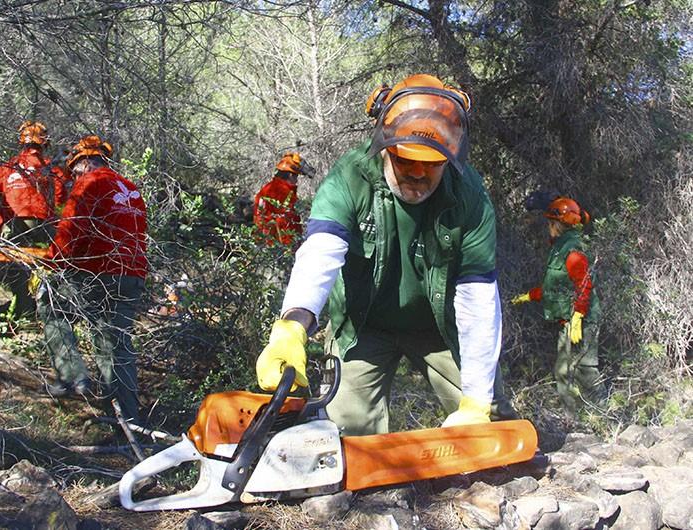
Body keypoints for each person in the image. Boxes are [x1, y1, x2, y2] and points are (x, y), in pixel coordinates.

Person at [255, 74, 516, 435]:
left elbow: (478, 294)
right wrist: (292, 325)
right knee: (344, 435)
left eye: (432, 163)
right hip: (364, 325)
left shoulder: (469, 195)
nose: (418, 174)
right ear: (384, 146)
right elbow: (320, 252)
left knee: (491, 426)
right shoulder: (350, 178)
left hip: (439, 325)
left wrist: (475, 400)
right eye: (406, 160)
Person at [37, 135, 147, 421]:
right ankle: (126, 418)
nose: (74, 177)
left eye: (75, 171)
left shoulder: (90, 183)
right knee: (117, 345)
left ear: (85, 163)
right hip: (132, 275)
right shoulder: (131, 188)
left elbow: (71, 231)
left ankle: (72, 376)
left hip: (101, 273)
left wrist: (51, 262)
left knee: (51, 302)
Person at [511, 197, 605, 412]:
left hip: (583, 321)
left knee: (585, 369)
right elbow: (555, 286)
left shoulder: (573, 252)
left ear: (558, 225)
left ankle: (603, 413)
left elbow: (584, 286)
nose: (548, 227)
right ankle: (572, 417)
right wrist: (529, 296)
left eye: (550, 223)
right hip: (567, 321)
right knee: (563, 371)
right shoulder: (559, 249)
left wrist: (578, 317)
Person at [0, 121, 68, 317]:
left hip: (13, 225)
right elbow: (61, 199)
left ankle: (24, 310)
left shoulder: (7, 168)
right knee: (47, 265)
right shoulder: (52, 169)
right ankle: (46, 308)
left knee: (16, 265)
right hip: (44, 224)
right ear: (44, 143)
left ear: (21, 142)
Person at [253, 152, 315, 246]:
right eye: (296, 176)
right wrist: (291, 245)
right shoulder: (283, 191)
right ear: (290, 175)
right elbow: (285, 222)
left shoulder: (269, 187)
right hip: (278, 244)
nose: (296, 180)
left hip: (264, 242)